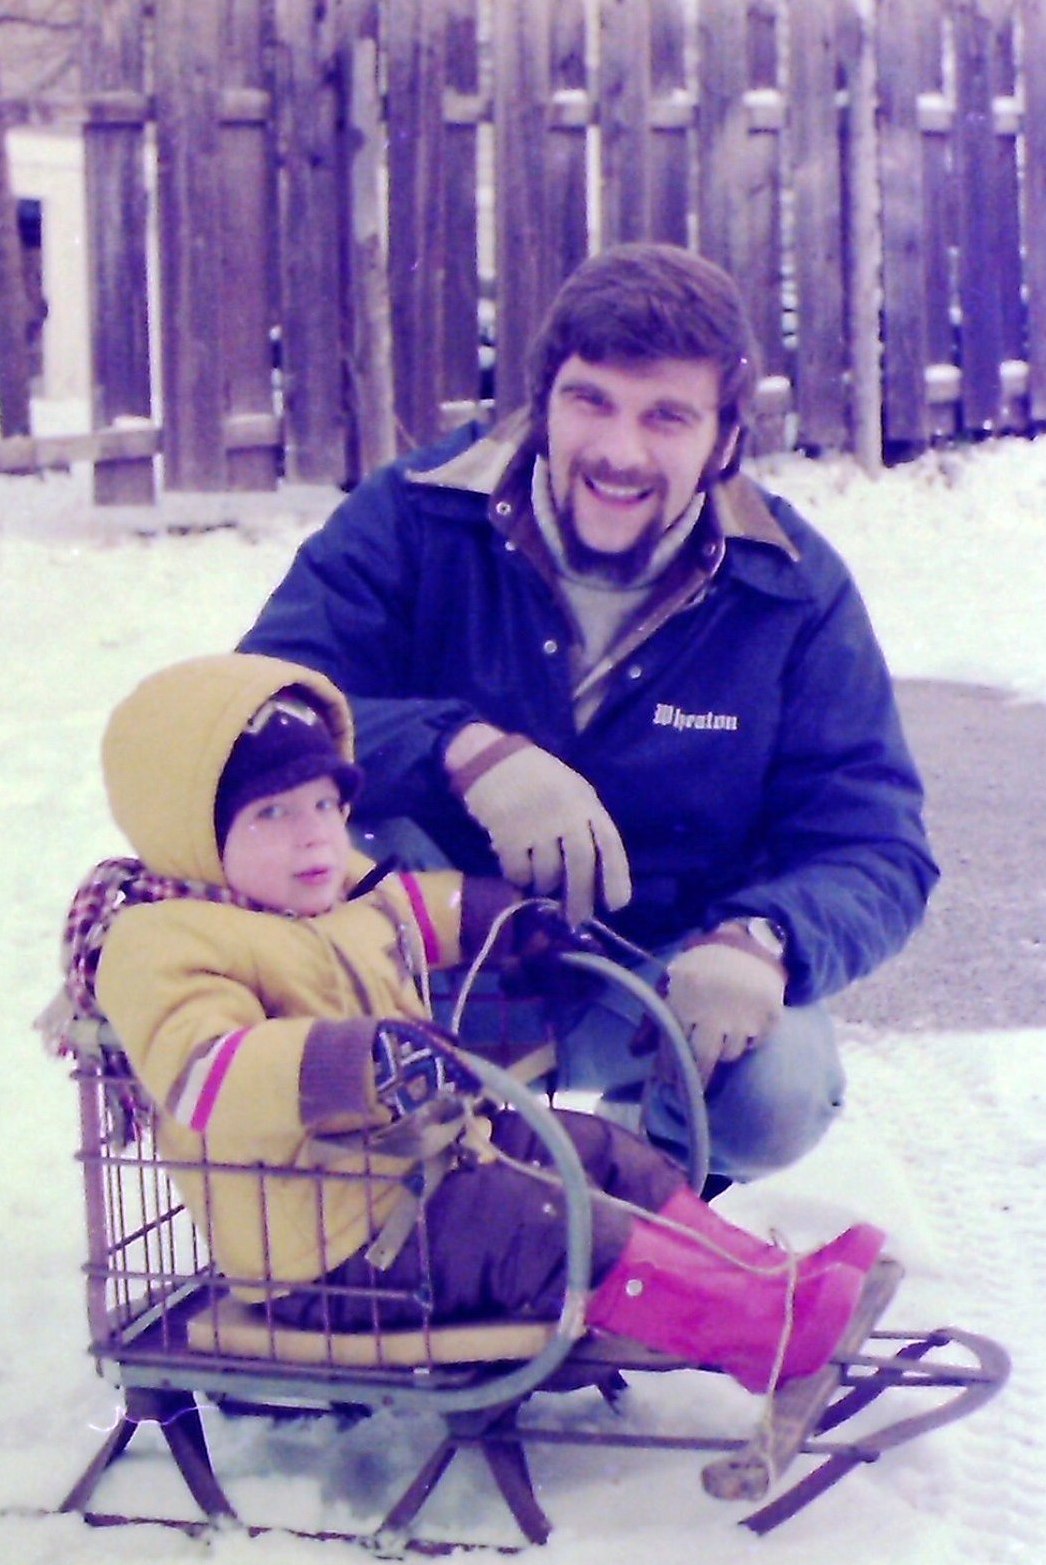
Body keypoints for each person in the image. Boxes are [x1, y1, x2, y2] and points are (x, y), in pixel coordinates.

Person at [238, 242, 939, 1182]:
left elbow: (877, 842)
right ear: (542, 402)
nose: (619, 450)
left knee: (780, 1085)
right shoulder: (416, 517)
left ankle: (645, 1207)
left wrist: (763, 938)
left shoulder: (792, 590)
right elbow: (261, 705)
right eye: (591, 402)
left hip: (644, 980)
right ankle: (403, 1184)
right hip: (422, 961)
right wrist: (464, 749)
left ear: (725, 440)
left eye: (667, 417)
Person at [55, 650, 887, 1395]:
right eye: (272, 814)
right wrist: (350, 1059)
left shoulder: (329, 882)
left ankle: (768, 1281)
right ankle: (753, 1333)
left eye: (325, 803)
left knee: (599, 1153)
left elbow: (413, 907)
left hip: (424, 1173)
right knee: (548, 1228)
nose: (313, 834)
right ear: (194, 825)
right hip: (333, 1255)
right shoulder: (162, 940)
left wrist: (504, 917)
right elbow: (204, 1073)